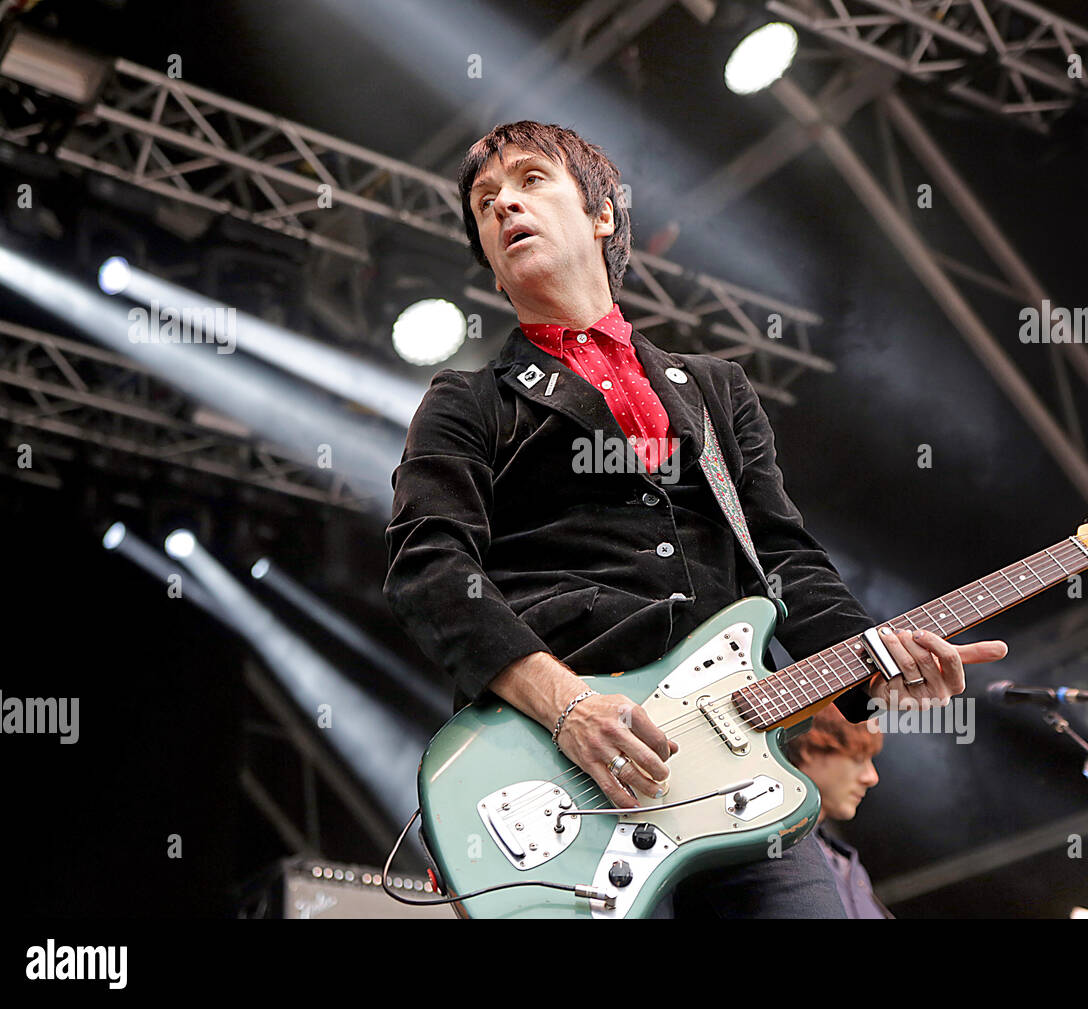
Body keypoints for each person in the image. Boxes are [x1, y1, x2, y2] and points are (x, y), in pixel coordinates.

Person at [382, 120, 1007, 917]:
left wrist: (876, 662)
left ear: (603, 214)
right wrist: (567, 706)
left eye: (531, 180)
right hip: (561, 775)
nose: (503, 203)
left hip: (736, 779)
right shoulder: (468, 402)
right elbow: (430, 570)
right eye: (484, 201)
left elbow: (785, 558)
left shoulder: (715, 389)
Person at [786, 703, 893, 918]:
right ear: (808, 748)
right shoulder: (775, 849)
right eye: (857, 758)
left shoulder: (846, 863)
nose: (872, 777)